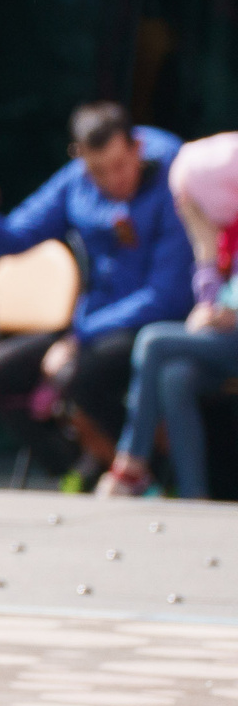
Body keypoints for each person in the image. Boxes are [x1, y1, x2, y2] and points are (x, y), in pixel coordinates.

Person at [0, 103, 188, 484]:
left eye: (120, 165)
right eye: (98, 170)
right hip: (91, 326)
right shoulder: (77, 181)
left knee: (82, 374)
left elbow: (166, 296)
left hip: (155, 324)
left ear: (136, 148)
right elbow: (13, 238)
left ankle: (153, 474)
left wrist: (79, 337)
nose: (113, 180)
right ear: (80, 157)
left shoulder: (174, 179)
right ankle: (76, 468)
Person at [101, 132, 238, 498]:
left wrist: (224, 313)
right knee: (175, 376)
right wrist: (203, 245)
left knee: (154, 339)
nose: (183, 205)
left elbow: (227, 310)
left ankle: (132, 461)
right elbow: (212, 302)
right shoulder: (225, 233)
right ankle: (195, 497)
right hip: (228, 344)